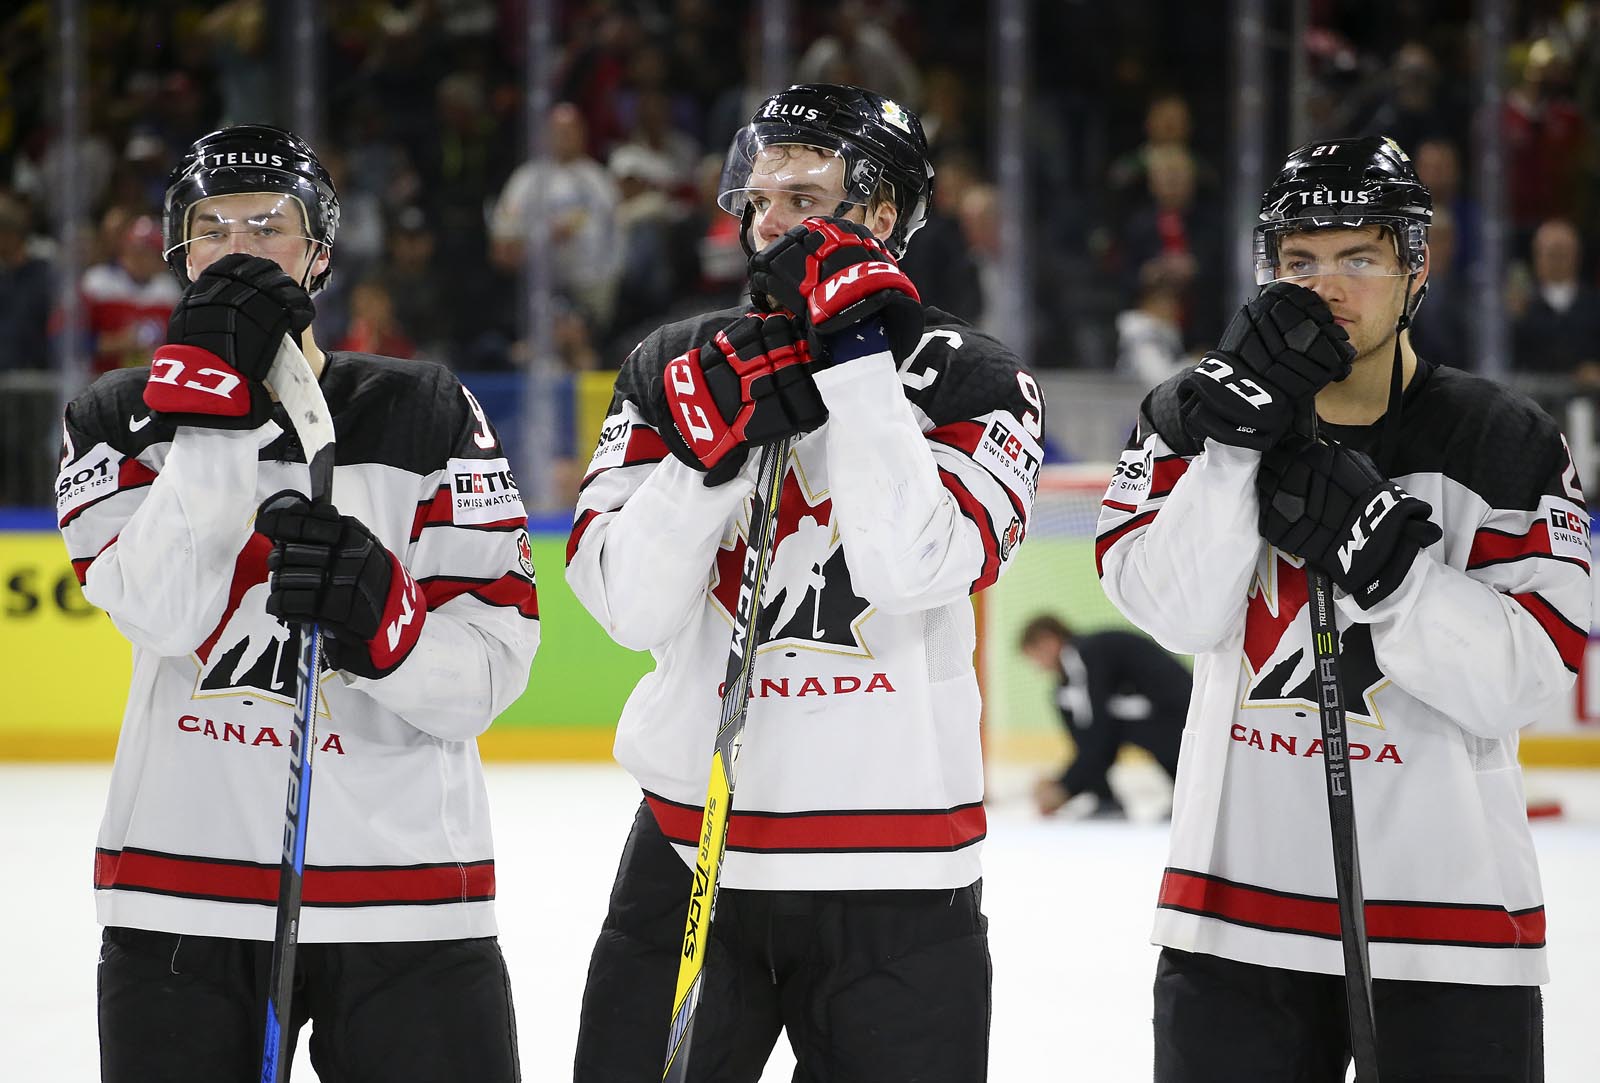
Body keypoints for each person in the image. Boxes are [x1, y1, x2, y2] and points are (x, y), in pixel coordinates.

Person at [566, 84, 1043, 1081]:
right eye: (758, 195)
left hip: (902, 882)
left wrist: (859, 362)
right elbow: (625, 607)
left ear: (878, 216)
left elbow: (911, 569)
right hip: (691, 854)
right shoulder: (674, 363)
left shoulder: (974, 378)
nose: (766, 221)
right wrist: (703, 467)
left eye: (803, 198)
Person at [1096, 135, 1587, 1081]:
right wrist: (1233, 450)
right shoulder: (1186, 416)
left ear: (1415, 270)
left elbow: (1521, 681)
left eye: (1358, 257)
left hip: (1454, 931)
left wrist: (1397, 572)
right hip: (1232, 923)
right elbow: (1179, 613)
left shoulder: (1506, 440)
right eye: (1300, 261)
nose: (1326, 285)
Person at [54, 124, 538, 1082]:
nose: (237, 246)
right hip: (180, 898)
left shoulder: (427, 411)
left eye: (268, 225)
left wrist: (388, 627)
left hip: (411, 899)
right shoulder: (113, 420)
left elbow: (489, 676)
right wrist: (212, 414)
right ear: (178, 251)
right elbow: (160, 611)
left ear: (319, 252)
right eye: (211, 225)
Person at [1018, 614, 1185, 818]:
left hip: (1179, 714)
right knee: (1071, 707)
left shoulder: (1081, 656)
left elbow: (1097, 732)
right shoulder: (1075, 674)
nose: (1038, 668)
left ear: (1048, 641)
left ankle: (1186, 798)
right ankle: (1104, 796)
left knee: (1108, 729)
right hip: (1168, 713)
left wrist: (1064, 787)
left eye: (1034, 656)